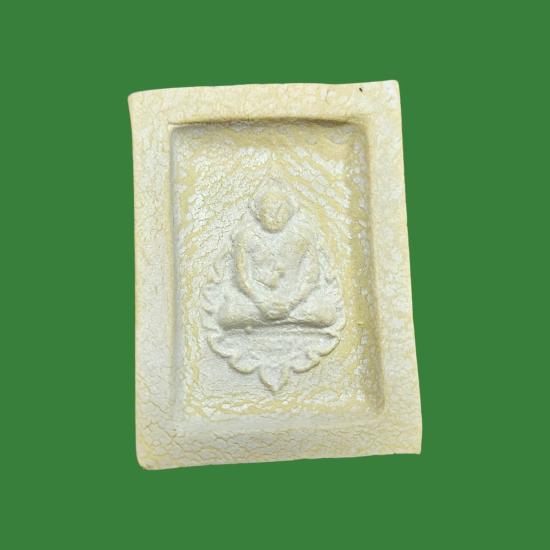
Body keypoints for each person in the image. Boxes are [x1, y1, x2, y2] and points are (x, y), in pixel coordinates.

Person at [216, 185, 337, 329]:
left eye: (281, 211)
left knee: (325, 314)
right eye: (268, 212)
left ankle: (272, 320)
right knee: (227, 314)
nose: (275, 217)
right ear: (258, 214)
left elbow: (311, 277)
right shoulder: (246, 237)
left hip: (295, 302)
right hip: (256, 302)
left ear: (290, 213)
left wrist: (291, 304)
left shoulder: (303, 235)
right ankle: (284, 320)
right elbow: (241, 277)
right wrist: (261, 303)